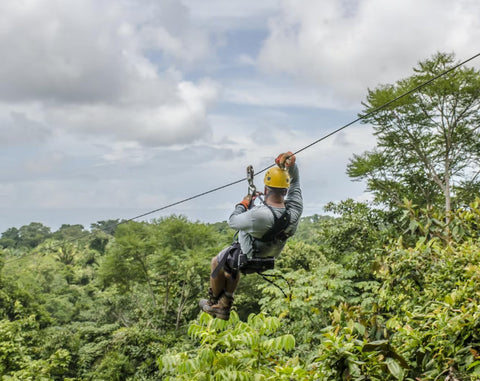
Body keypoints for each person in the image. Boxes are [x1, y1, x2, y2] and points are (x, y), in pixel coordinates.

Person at [199, 151, 303, 320]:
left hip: (250, 253)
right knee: (231, 267)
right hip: (270, 255)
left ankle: (214, 304)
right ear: (285, 191)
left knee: (216, 262)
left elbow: (232, 221)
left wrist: (244, 204)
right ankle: (225, 302)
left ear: (265, 189)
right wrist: (291, 166)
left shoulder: (258, 216)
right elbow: (296, 182)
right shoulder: (295, 210)